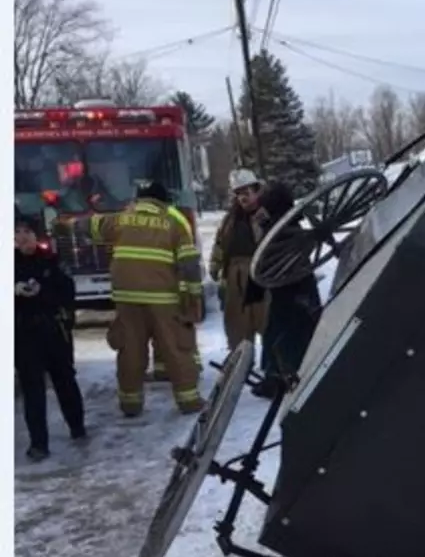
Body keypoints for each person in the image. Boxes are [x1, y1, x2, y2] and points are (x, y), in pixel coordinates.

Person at [90, 181, 205, 416]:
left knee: (130, 349)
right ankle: (188, 401)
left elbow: (90, 227)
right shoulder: (173, 223)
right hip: (163, 298)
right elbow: (190, 265)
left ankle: (130, 404)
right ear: (162, 201)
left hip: (126, 298)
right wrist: (193, 296)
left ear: (138, 200)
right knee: (176, 347)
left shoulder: (121, 219)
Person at [15, 213, 86, 460]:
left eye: (27, 232)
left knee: (65, 381)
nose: (22, 238)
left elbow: (67, 292)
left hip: (54, 332)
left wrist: (43, 293)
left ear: (37, 236)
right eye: (17, 233)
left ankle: (77, 426)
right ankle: (38, 444)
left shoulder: (51, 261)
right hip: (24, 336)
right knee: (32, 390)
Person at [244, 181, 322, 398]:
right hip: (295, 288)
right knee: (285, 331)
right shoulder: (285, 225)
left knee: (286, 334)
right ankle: (279, 375)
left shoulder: (279, 229)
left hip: (290, 290)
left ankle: (281, 378)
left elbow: (268, 259)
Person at [208, 168, 269, 364]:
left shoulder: (266, 214)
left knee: (267, 321)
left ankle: (274, 366)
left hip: (261, 274)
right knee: (236, 323)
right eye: (238, 193)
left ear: (256, 190)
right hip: (234, 277)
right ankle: (241, 363)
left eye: (246, 192)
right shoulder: (230, 219)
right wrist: (215, 266)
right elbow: (220, 245)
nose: (243, 198)